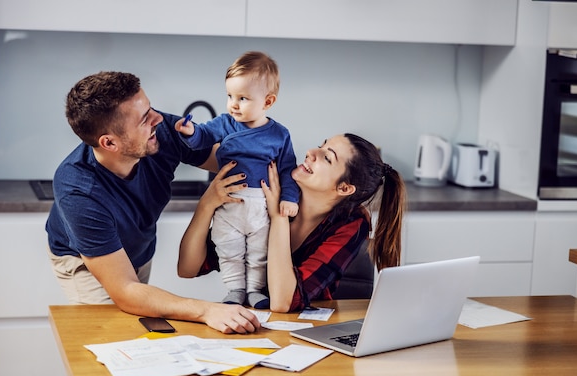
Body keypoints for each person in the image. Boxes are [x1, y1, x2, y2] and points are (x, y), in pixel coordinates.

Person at [45, 71, 260, 334]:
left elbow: (230, 161)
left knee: (142, 332)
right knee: (114, 338)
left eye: (151, 108)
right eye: (144, 118)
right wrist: (207, 310)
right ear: (109, 142)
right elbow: (125, 290)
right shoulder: (79, 191)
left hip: (138, 247)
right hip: (86, 262)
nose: (158, 118)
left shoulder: (159, 132)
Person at [178, 133, 406, 312]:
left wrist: (279, 217)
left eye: (327, 158)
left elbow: (282, 302)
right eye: (321, 144)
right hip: (249, 321)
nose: (311, 152)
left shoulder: (352, 223)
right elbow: (188, 268)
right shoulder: (266, 185)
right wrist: (206, 204)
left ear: (344, 188)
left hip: (309, 332)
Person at [175, 51, 299, 309]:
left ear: (268, 101)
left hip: (261, 206)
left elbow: (287, 170)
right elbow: (203, 136)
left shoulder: (279, 134)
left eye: (243, 98)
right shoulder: (225, 123)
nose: (233, 104)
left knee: (258, 252)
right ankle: (235, 289)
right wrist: (190, 132)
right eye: (230, 96)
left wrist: (289, 198)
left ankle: (254, 290)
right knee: (227, 248)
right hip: (229, 203)